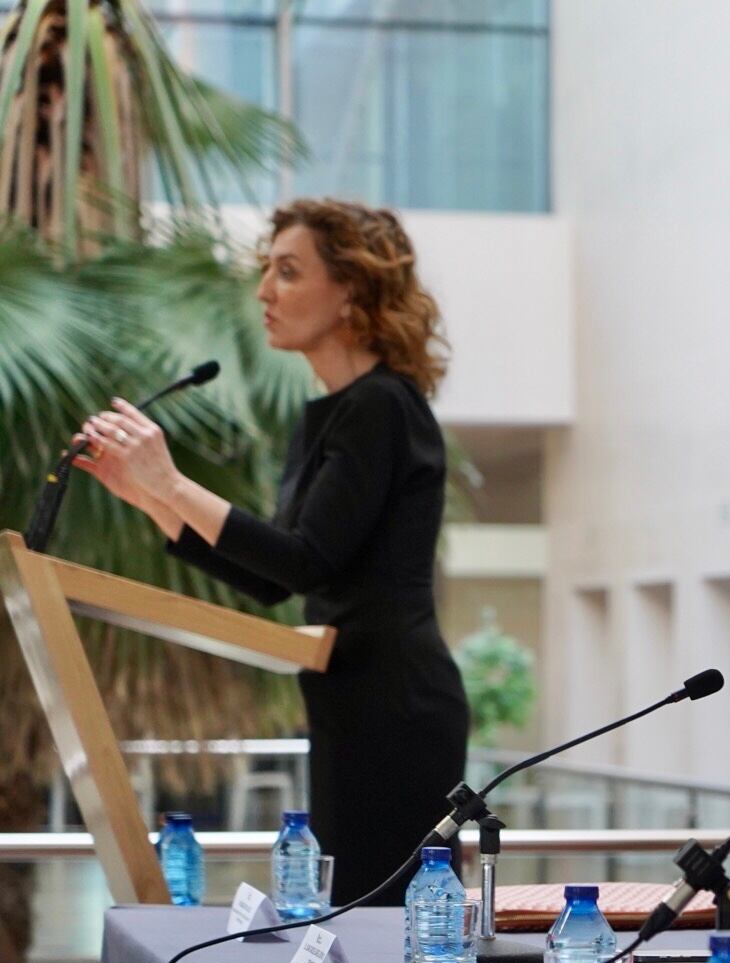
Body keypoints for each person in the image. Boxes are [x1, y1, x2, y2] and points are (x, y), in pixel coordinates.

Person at [73, 199, 468, 906]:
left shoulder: (381, 405)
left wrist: (171, 481)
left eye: (288, 272)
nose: (263, 291)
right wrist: (151, 499)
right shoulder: (330, 412)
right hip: (348, 697)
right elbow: (273, 582)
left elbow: (300, 559)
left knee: (384, 925)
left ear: (351, 289)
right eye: (267, 271)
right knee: (351, 914)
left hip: (396, 706)